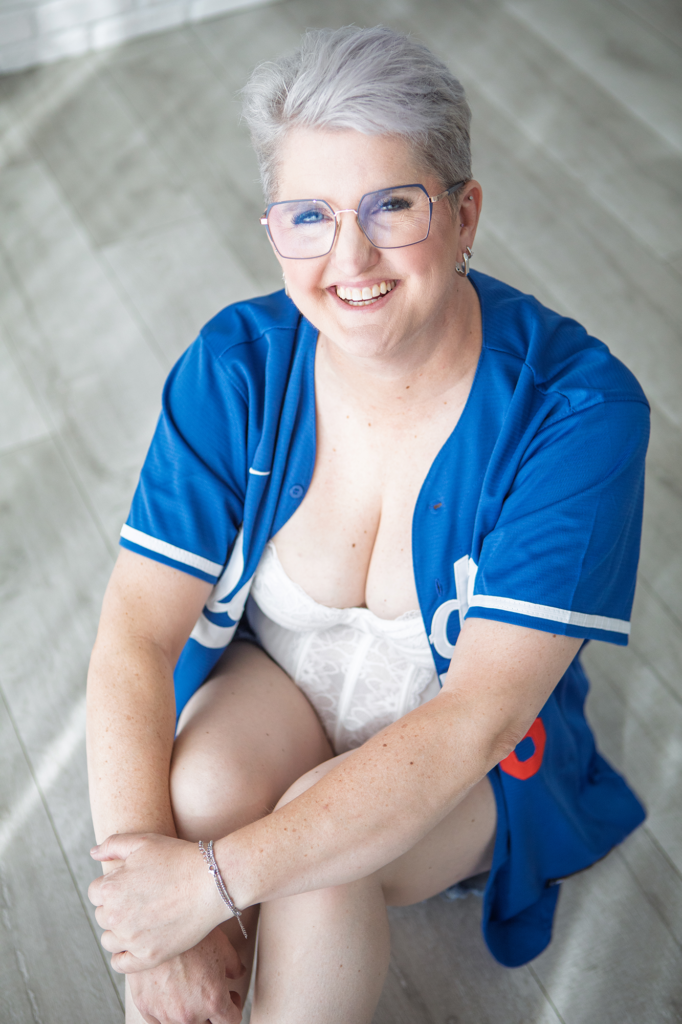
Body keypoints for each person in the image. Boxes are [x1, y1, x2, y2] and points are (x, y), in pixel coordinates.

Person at [86, 25, 648, 1024]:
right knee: (205, 789)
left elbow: (479, 715)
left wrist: (210, 885)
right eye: (309, 214)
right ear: (274, 226)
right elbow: (136, 631)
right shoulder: (236, 366)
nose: (348, 259)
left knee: (312, 855)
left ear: (465, 213)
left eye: (391, 206)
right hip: (280, 689)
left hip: (470, 758)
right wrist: (148, 936)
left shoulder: (578, 413)